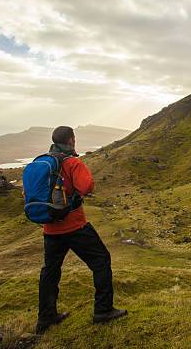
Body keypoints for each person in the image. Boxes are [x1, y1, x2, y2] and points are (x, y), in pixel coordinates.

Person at [33, 126, 127, 334]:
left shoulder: (42, 164)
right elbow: (87, 187)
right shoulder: (72, 163)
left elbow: (28, 195)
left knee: (50, 271)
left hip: (50, 229)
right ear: (72, 140)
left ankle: (46, 318)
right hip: (75, 226)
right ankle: (103, 310)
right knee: (101, 261)